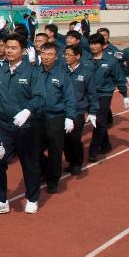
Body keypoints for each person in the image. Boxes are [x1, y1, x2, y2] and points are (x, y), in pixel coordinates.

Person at [0, 34, 44, 216]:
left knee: (29, 163)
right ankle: (0, 200)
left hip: (27, 127)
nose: (9, 51)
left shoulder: (32, 72)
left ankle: (32, 198)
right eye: (7, 47)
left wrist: (27, 111)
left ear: (23, 51)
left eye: (13, 48)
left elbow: (40, 97)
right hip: (4, 125)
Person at [34, 43, 76, 194]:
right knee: (34, 149)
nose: (45, 57)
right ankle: (44, 170)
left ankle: (53, 180)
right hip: (38, 118)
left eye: (50, 54)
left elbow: (69, 97)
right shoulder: (35, 72)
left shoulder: (62, 75)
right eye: (43, 54)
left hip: (56, 118)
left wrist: (70, 117)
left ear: (56, 57)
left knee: (55, 150)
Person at [63, 44, 99, 175]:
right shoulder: (62, 71)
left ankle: (77, 163)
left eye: (69, 55)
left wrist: (93, 111)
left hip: (77, 111)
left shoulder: (86, 73)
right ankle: (70, 161)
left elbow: (92, 94)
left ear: (77, 56)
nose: (65, 57)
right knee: (65, 140)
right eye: (65, 54)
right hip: (63, 110)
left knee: (74, 138)